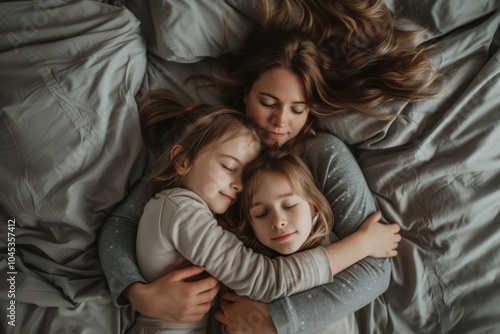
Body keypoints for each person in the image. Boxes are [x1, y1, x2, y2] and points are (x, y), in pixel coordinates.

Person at [98, 0, 440, 332]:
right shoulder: (212, 144)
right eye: (268, 102)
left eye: (297, 109)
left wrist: (278, 320)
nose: (280, 121)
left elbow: (374, 266)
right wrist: (138, 293)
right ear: (247, 93)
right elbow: (124, 222)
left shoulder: (323, 154)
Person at [122, 91, 400, 334]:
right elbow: (266, 280)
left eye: (297, 108)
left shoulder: (196, 210)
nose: (238, 184)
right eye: (229, 167)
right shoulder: (180, 209)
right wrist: (362, 243)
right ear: (181, 161)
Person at [223, 148, 401, 334]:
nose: (277, 221)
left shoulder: (339, 249)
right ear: (250, 223)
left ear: (313, 207)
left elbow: (374, 277)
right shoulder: (249, 263)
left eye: (289, 205)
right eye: (261, 214)